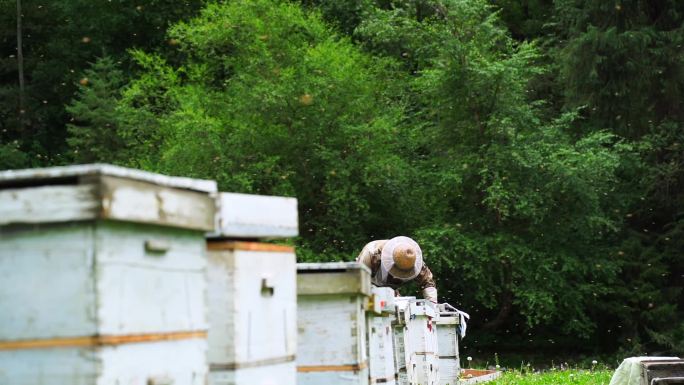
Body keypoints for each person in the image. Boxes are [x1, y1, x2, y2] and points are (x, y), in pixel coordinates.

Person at [356, 236, 438, 303]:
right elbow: (358, 281)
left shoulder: (413, 260)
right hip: (368, 285)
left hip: (391, 290)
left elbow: (427, 282)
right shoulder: (371, 254)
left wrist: (432, 307)